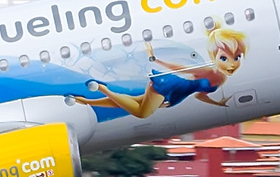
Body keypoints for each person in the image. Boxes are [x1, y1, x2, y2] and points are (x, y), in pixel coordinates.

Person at [76, 26, 247, 120]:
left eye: (236, 58)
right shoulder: (209, 71)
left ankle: (87, 101)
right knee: (142, 113)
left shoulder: (220, 79)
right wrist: (155, 59)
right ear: (214, 56)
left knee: (131, 103)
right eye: (225, 58)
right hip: (169, 86)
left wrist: (218, 104)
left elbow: (199, 95)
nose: (232, 64)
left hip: (173, 91)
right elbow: (179, 68)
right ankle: (102, 88)